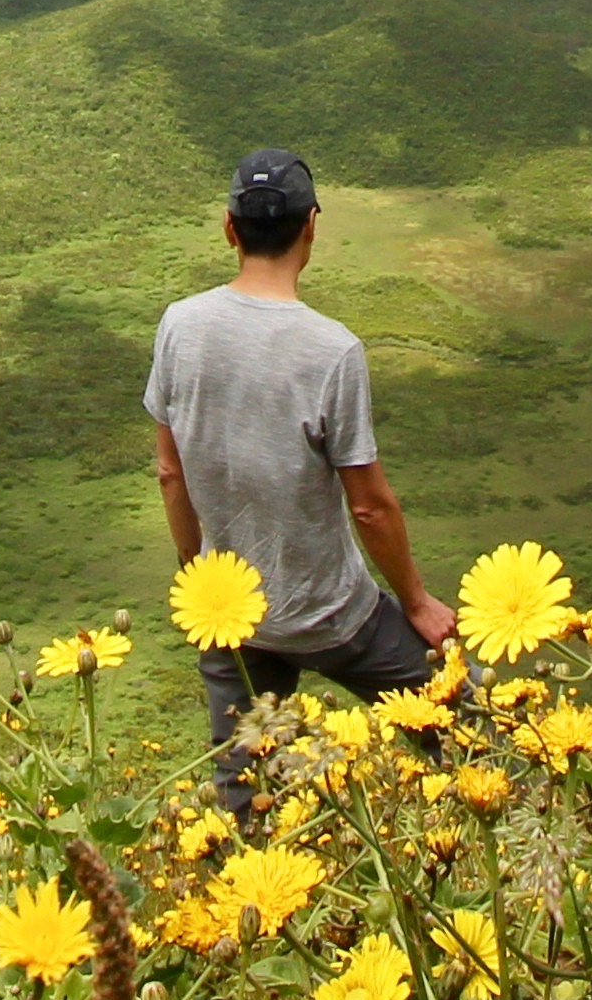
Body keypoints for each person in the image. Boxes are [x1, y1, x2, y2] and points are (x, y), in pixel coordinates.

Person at [147, 146, 455, 761]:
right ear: (311, 225)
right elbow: (369, 508)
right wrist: (417, 603)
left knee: (245, 788)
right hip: (334, 615)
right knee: (476, 726)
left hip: (232, 620)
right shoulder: (332, 350)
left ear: (229, 228)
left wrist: (201, 575)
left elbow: (168, 472)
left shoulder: (179, 325)